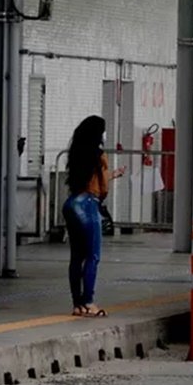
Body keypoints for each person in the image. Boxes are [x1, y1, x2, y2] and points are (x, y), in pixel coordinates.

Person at [63, 115, 125, 317]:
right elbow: (102, 187)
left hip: (72, 204)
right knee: (93, 256)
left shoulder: (77, 152)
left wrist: (112, 174)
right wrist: (104, 195)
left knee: (76, 257)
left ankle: (77, 304)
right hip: (89, 205)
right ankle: (89, 302)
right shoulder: (99, 155)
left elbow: (91, 179)